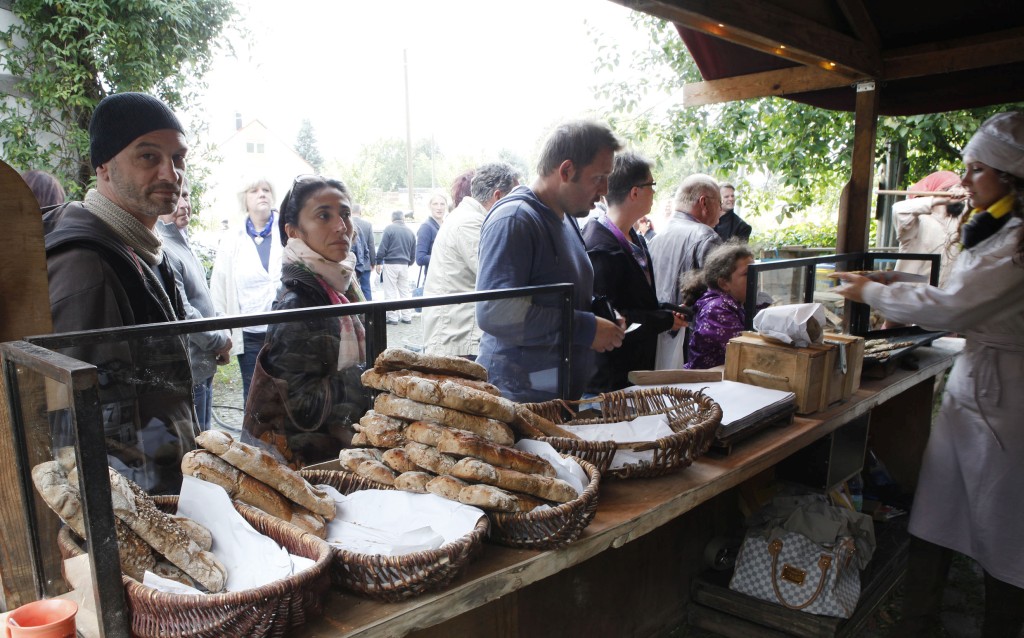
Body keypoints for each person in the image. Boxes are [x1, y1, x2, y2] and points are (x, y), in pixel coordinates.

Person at [834, 111, 1024, 638]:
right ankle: (918, 621)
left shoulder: (1017, 243)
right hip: (973, 396)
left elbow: (954, 308)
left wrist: (870, 292)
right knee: (936, 512)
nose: (965, 179)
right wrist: (893, 277)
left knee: (1005, 527)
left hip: (1007, 402)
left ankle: (1001, 624)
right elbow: (962, 295)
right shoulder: (995, 228)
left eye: (976, 169)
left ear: (1010, 176)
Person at [42, 92, 195, 494]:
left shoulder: (146, 250)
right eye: (148, 156)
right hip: (138, 503)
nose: (171, 173)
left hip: (169, 490)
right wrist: (143, 515)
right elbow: (88, 428)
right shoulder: (86, 264)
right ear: (104, 167)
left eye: (178, 158)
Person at [476, 120, 625, 402]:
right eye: (598, 177)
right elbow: (495, 312)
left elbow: (554, 290)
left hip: (555, 396)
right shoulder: (515, 219)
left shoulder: (567, 217)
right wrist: (587, 328)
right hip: (517, 400)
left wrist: (600, 312)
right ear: (566, 171)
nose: (605, 189)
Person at [242, 175, 368, 467]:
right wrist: (368, 375)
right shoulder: (298, 303)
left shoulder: (342, 288)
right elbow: (302, 406)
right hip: (309, 467)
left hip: (337, 455)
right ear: (294, 232)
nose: (341, 226)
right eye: (324, 216)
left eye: (345, 214)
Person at [582, 152, 687, 392]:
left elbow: (636, 299)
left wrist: (666, 311)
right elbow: (613, 318)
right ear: (635, 192)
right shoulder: (600, 247)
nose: (654, 192)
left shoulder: (634, 237)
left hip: (635, 370)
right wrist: (663, 320)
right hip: (611, 381)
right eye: (652, 185)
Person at [422, 162, 520, 358]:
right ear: (498, 196)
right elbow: (498, 275)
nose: (519, 206)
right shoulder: (470, 223)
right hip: (458, 338)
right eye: (515, 198)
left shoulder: (467, 218)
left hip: (458, 334)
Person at [157, 179, 232, 430]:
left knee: (206, 435)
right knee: (198, 441)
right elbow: (184, 314)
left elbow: (205, 299)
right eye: (176, 197)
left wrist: (223, 330)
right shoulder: (164, 249)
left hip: (204, 363)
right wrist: (219, 341)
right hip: (190, 368)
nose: (183, 204)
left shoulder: (182, 242)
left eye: (186, 196)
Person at [210, 177, 283, 405]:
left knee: (288, 393)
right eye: (254, 190)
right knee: (255, 397)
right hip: (250, 334)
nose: (262, 194)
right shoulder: (232, 239)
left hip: (285, 331)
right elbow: (219, 288)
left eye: (266, 189)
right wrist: (222, 331)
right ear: (245, 200)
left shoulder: (288, 231)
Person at [648, 174, 724, 368]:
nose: (722, 210)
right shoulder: (706, 237)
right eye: (720, 203)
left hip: (661, 341)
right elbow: (721, 295)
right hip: (691, 343)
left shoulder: (656, 238)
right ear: (704, 202)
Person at [680, 241, 755, 369]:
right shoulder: (717, 309)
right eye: (747, 274)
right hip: (708, 379)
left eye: (755, 271)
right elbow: (747, 351)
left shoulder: (739, 303)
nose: (755, 277)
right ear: (724, 284)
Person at [892, 170, 967, 287]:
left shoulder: (959, 221)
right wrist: (940, 200)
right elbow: (898, 209)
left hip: (941, 295)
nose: (960, 191)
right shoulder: (917, 221)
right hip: (909, 294)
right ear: (940, 191)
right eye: (957, 187)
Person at [375, 210, 416, 324]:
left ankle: (393, 317)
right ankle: (407, 316)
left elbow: (382, 247)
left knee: (390, 291)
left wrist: (379, 261)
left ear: (392, 218)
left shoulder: (389, 229)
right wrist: (409, 263)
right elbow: (413, 252)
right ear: (403, 218)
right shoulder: (410, 232)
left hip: (391, 263)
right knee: (404, 291)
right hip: (404, 264)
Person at [416, 192, 447, 274]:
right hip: (434, 278)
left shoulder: (446, 226)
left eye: (442, 204)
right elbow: (420, 259)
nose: (439, 208)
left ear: (446, 206)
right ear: (429, 206)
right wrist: (445, 257)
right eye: (435, 204)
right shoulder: (426, 227)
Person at [350, 203, 376, 300]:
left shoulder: (347, 223)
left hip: (350, 264)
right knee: (366, 289)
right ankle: (369, 308)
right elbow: (371, 245)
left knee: (352, 291)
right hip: (365, 264)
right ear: (360, 212)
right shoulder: (367, 225)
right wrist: (373, 262)